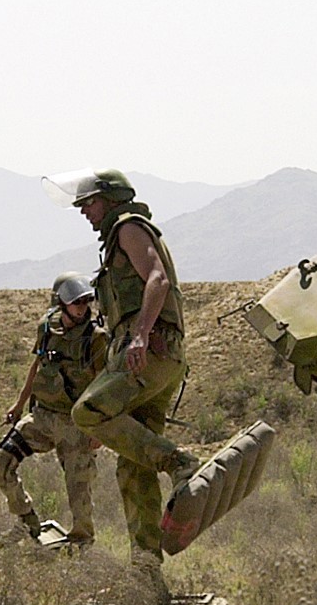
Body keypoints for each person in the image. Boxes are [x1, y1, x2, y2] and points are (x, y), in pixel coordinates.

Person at [42, 169, 200, 580]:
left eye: (89, 203)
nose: (84, 212)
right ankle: (146, 571)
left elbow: (157, 280)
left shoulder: (128, 228)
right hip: (157, 358)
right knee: (133, 467)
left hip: (147, 354)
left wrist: (140, 336)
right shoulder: (122, 232)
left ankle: (180, 462)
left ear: (111, 199)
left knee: (85, 413)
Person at [0, 271, 107, 545]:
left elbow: (105, 385)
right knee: (1, 463)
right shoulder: (46, 327)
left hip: (75, 424)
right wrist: (19, 405)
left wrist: (98, 428)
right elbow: (37, 365)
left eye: (86, 301)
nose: (83, 307)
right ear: (61, 303)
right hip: (41, 417)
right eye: (77, 302)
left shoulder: (96, 337)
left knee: (79, 489)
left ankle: (82, 544)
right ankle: (28, 521)